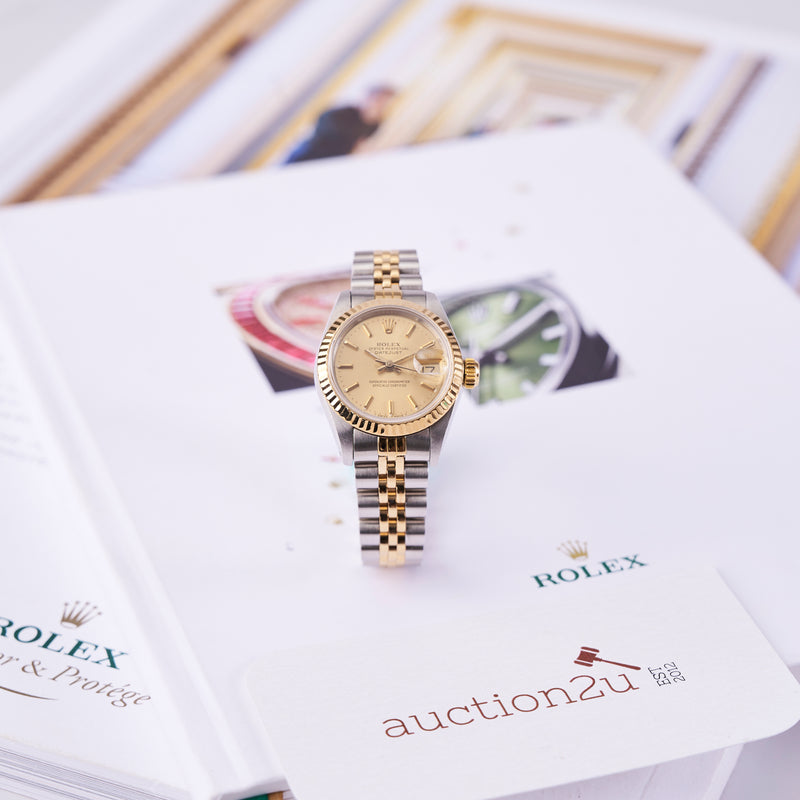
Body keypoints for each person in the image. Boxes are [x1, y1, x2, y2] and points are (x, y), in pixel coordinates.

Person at [285, 86, 396, 163]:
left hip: (333, 162)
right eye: (379, 101)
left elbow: (360, 144)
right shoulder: (342, 113)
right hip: (309, 155)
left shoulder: (374, 124)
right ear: (369, 97)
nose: (380, 106)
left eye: (385, 103)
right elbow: (326, 129)